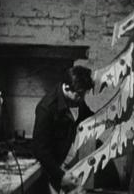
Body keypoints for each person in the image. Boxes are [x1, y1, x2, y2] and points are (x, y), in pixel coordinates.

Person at [32, 65, 94, 194]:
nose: (82, 99)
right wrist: (60, 175)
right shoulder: (46, 108)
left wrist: (109, 118)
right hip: (50, 167)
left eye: (84, 94)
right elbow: (40, 150)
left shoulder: (76, 98)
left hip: (65, 160)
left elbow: (90, 117)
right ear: (66, 87)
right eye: (79, 94)